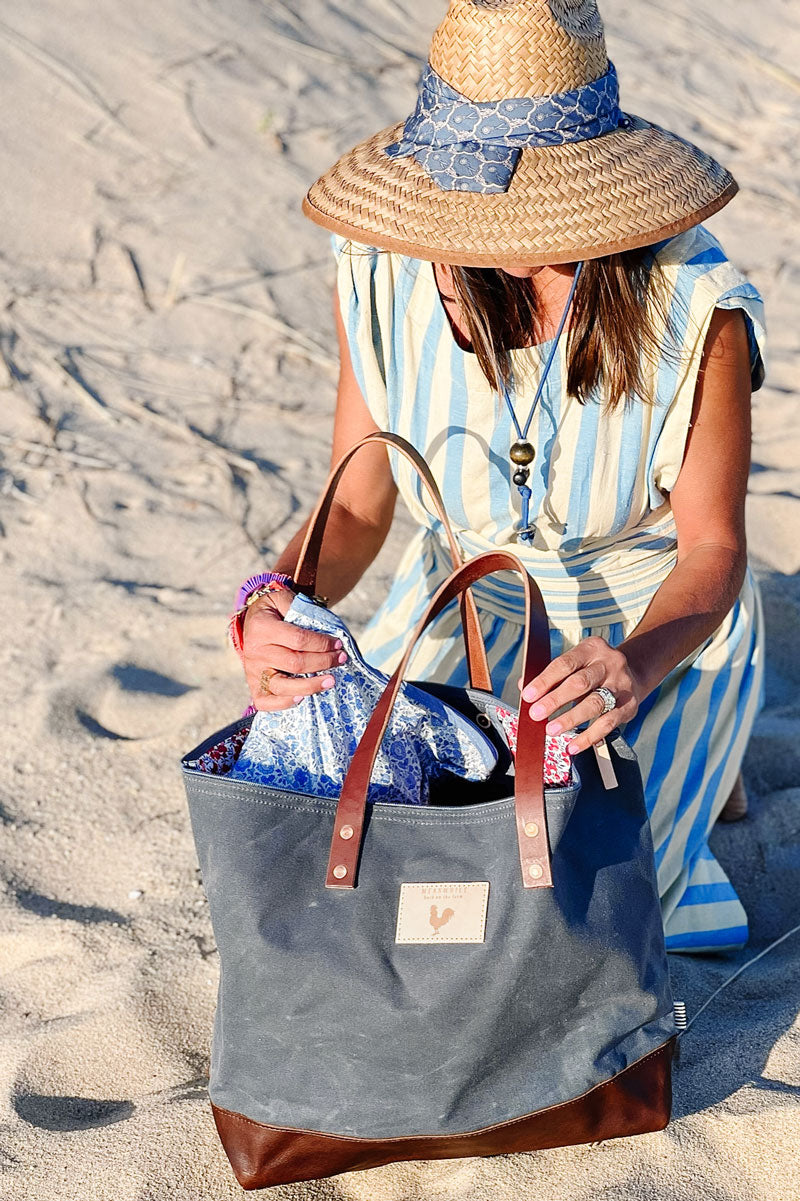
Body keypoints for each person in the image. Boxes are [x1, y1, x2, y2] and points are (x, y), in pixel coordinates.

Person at [233, 0, 766, 953]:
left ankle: (705, 741)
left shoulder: (695, 303)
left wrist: (633, 670)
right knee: (393, 849)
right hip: (465, 596)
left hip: (651, 618)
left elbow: (716, 547)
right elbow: (357, 501)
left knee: (572, 902)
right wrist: (279, 601)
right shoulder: (384, 267)